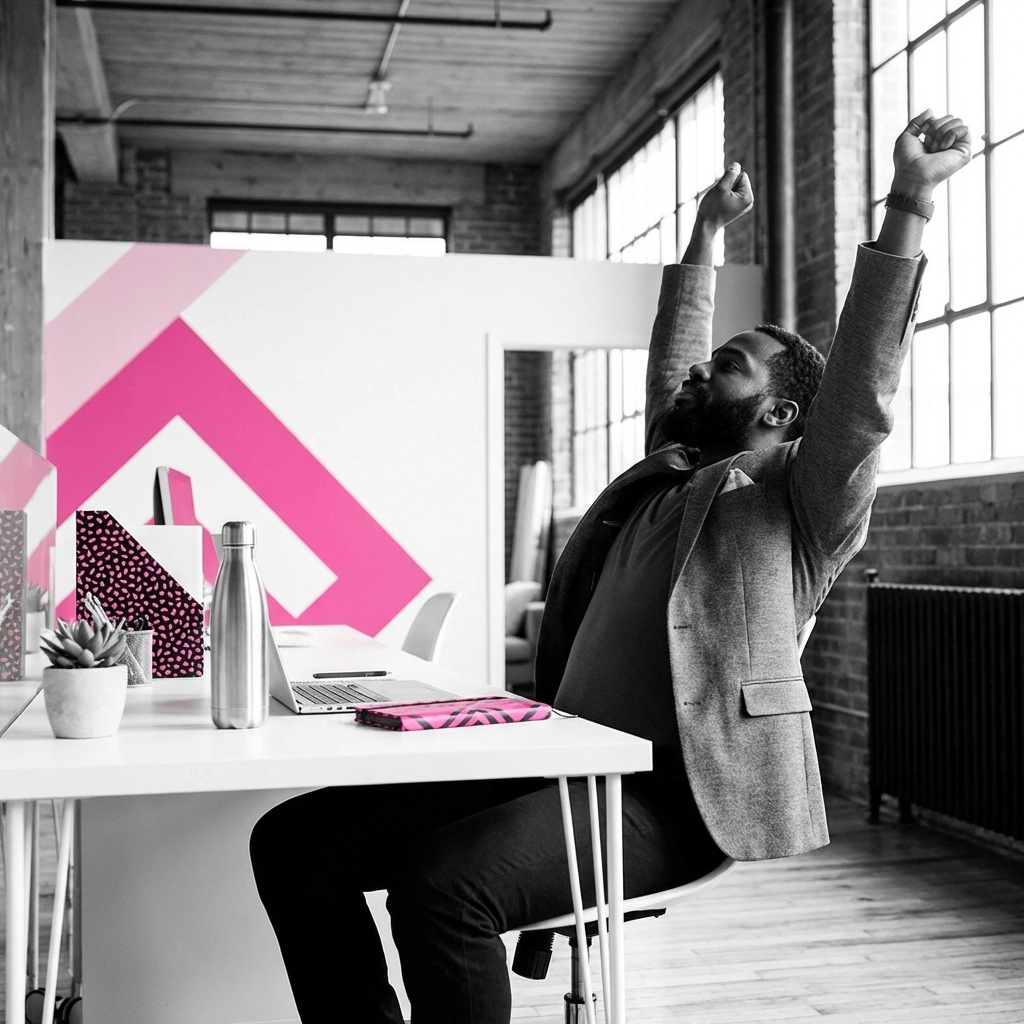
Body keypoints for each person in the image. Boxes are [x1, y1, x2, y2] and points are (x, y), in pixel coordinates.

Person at [249, 110, 971, 1024]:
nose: (701, 373)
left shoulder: (801, 504)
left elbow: (862, 389)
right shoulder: (671, 473)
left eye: (730, 367)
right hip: (557, 756)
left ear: (782, 415)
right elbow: (674, 359)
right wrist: (705, 235)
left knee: (444, 886)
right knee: (294, 842)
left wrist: (910, 200)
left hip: (674, 797)